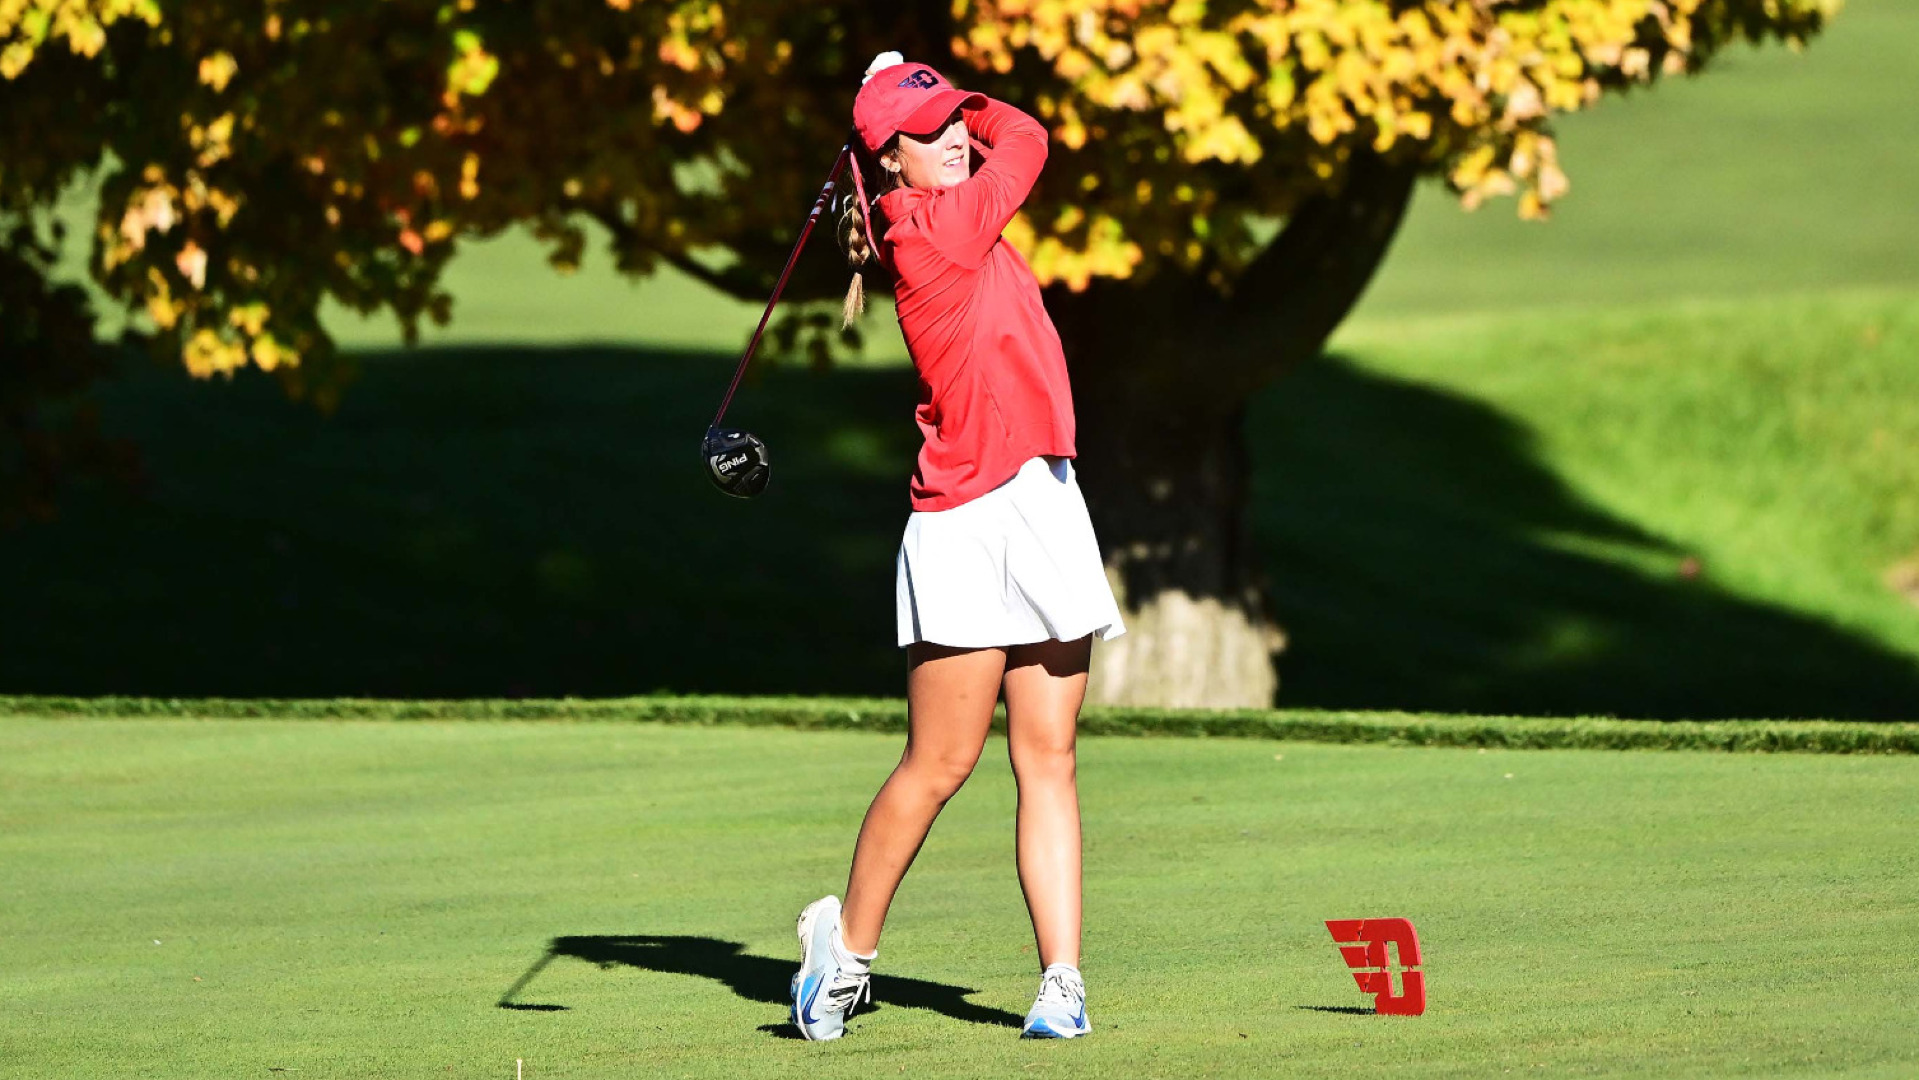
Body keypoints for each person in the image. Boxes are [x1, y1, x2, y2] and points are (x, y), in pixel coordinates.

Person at [787, 52, 1126, 1042]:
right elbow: (1028, 136)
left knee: (1048, 756)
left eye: (950, 122)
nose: (951, 138)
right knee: (940, 762)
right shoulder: (934, 226)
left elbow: (994, 144)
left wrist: (918, 97)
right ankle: (842, 957)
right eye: (925, 131)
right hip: (963, 523)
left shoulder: (949, 212)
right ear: (886, 160)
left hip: (1043, 501)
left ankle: (1060, 983)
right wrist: (972, 106)